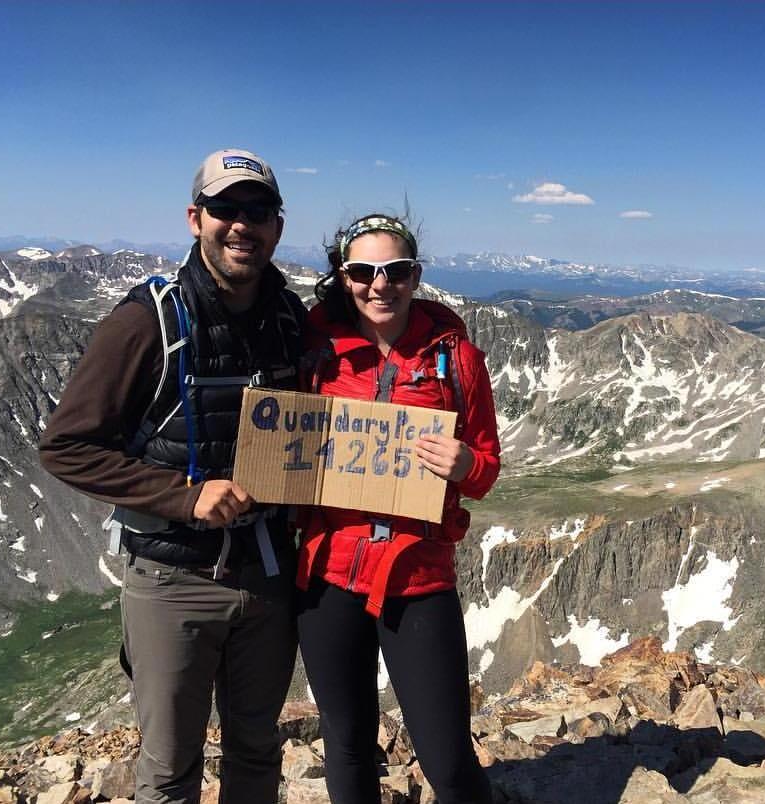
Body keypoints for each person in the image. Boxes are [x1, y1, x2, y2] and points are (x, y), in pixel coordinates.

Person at [39, 149, 306, 804]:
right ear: (196, 218)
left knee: (256, 747)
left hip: (267, 577)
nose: (242, 224)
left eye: (258, 211)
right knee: (168, 768)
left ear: (277, 225)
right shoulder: (144, 322)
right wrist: (184, 499)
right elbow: (66, 446)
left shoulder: (289, 320)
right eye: (225, 209)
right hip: (171, 582)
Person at [295, 213, 500, 804]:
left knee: (448, 761)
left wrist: (465, 465)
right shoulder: (315, 346)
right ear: (343, 274)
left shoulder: (456, 360)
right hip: (328, 574)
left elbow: (486, 469)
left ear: (416, 275)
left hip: (417, 575)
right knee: (347, 742)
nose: (380, 285)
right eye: (363, 271)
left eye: (397, 271)